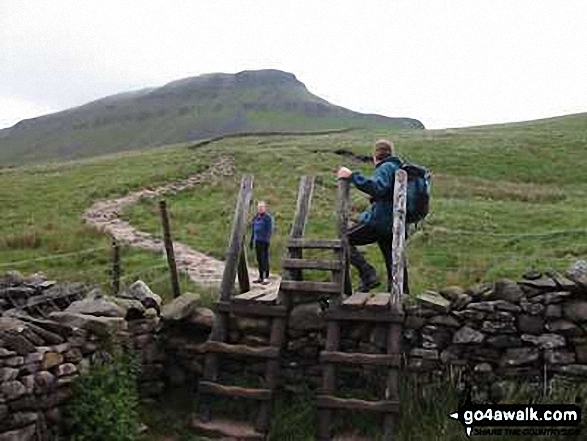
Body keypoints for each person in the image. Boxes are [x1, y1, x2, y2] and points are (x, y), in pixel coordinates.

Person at [336, 139, 403, 293]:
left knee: (343, 240)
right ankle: (401, 294)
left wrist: (352, 176)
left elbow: (377, 187)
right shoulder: (397, 167)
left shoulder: (386, 167)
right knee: (394, 258)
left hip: (380, 221)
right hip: (395, 223)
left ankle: (368, 275)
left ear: (376, 155)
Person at [250, 201, 273, 285]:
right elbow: (253, 230)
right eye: (259, 207)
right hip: (257, 240)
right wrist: (251, 240)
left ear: (265, 208)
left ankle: (266, 277)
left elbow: (270, 230)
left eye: (262, 207)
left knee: (264, 259)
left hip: (264, 241)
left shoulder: (268, 218)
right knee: (259, 259)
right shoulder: (255, 217)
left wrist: (267, 239)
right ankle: (260, 277)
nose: (260, 209)